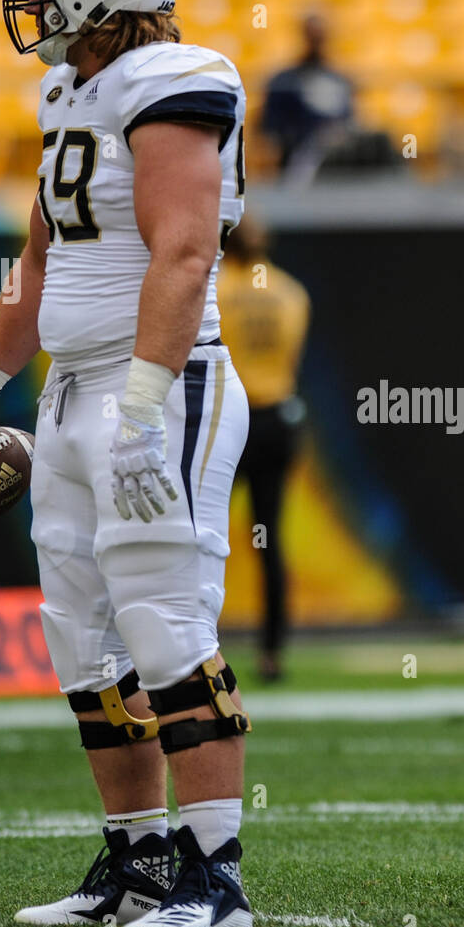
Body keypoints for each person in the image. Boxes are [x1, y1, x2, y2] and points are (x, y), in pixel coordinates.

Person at [0, 0, 255, 927]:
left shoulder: (173, 80)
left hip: (158, 381)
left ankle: (218, 878)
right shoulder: (72, 90)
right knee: (80, 635)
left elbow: (186, 252)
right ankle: (140, 859)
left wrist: (145, 409)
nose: (36, 0)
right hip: (68, 387)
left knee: (165, 620)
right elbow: (37, 262)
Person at [217, 217, 311, 681]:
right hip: (277, 419)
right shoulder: (292, 293)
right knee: (270, 540)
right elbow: (291, 360)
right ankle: (273, 654)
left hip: (230, 419)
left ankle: (196, 649)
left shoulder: (215, 290)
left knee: (202, 536)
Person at [260, 12, 355, 173]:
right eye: (313, 36)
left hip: (339, 162)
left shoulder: (340, 80)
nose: (317, 41)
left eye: (321, 36)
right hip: (299, 163)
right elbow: (269, 129)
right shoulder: (284, 81)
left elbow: (349, 121)